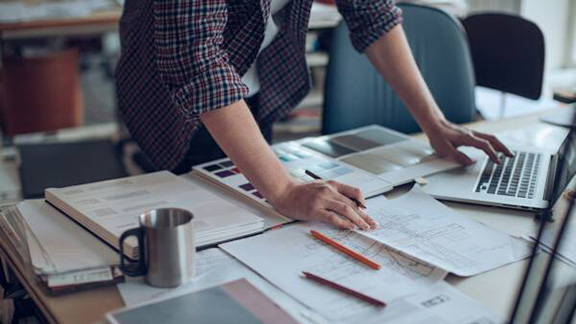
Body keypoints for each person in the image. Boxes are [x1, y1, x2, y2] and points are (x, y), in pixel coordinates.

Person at [116, 0, 512, 231]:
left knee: (254, 213)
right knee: (198, 226)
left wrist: (434, 122)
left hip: (250, 81)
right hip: (169, 95)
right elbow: (195, 61)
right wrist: (284, 190)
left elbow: (371, 12)